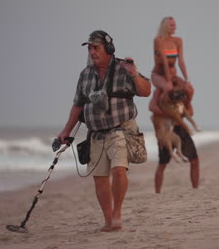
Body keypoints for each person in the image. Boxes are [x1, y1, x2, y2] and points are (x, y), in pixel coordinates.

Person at [57, 30, 151, 232]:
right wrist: (65, 132)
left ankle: (117, 214)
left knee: (119, 170)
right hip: (96, 133)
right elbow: (77, 106)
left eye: (96, 47)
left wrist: (134, 73)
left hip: (121, 130)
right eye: (89, 48)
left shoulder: (123, 68)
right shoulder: (85, 75)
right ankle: (109, 220)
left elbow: (146, 91)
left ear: (108, 49)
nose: (92, 52)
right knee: (99, 178)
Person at [149, 16, 194, 118]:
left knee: (189, 89)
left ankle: (182, 110)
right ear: (165, 26)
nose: (175, 27)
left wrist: (187, 79)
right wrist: (168, 80)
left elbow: (181, 61)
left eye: (175, 25)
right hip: (158, 75)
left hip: (172, 75)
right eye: (172, 25)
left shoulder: (178, 40)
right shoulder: (158, 40)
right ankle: (159, 106)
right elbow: (164, 61)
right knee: (169, 88)